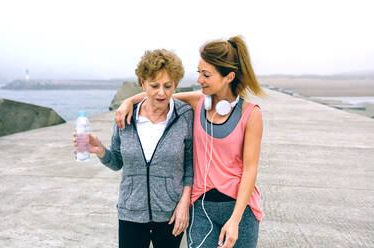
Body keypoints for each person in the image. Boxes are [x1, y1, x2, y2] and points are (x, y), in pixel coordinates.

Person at [115, 35, 264, 248]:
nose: (199, 80)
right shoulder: (198, 102)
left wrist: (235, 220)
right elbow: (159, 94)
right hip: (201, 208)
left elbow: (250, 170)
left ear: (228, 77)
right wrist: (128, 101)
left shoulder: (251, 114)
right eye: (199, 73)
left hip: (240, 210)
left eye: (206, 74)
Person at [73, 49, 194, 248]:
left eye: (168, 86)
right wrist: (101, 150)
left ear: (176, 85)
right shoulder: (126, 116)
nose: (161, 92)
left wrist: (184, 205)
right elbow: (117, 162)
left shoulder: (184, 116)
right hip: (131, 212)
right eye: (154, 85)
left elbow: (190, 166)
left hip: (171, 214)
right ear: (142, 83)